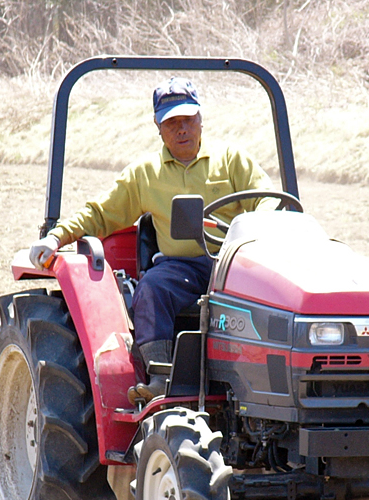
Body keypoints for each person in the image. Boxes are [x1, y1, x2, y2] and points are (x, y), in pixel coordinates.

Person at [29, 76, 276, 404]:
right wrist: (56, 237)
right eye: (172, 123)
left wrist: (265, 230)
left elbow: (268, 202)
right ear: (158, 128)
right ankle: (161, 376)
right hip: (181, 269)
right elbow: (101, 214)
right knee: (153, 287)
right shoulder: (145, 174)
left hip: (233, 263)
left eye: (188, 120)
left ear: (201, 119)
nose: (182, 129)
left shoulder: (232, 160)